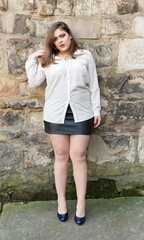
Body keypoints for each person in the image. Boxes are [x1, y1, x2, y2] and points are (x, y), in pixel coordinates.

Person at [25, 21, 101, 225]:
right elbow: (33, 82)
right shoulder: (49, 60)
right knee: (61, 156)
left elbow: (93, 84)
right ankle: (61, 201)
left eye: (62, 36)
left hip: (82, 113)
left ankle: (81, 204)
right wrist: (32, 58)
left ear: (70, 36)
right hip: (55, 115)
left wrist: (96, 109)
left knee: (79, 156)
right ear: (52, 42)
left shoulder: (85, 56)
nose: (60, 41)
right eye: (55, 38)